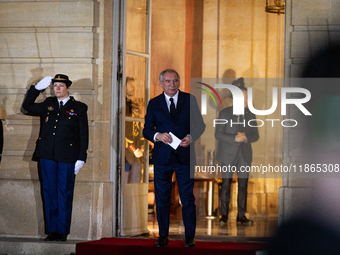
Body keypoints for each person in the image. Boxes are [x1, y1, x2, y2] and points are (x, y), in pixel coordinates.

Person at [22, 74, 89, 241]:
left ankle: (62, 231)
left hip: (67, 157)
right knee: (49, 192)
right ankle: (51, 230)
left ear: (67, 88)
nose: (57, 88)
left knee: (64, 193)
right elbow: (27, 106)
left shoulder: (79, 108)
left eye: (61, 86)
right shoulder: (48, 104)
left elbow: (83, 134)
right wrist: (37, 89)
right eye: (55, 86)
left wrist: (81, 157)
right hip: (47, 155)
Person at [143, 69, 205, 248]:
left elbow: (200, 124)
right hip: (163, 157)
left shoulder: (189, 99)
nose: (172, 84)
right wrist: (157, 135)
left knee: (187, 198)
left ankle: (190, 237)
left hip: (184, 157)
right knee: (162, 199)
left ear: (179, 82)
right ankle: (163, 236)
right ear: (161, 83)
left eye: (175, 81)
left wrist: (191, 137)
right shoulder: (154, 103)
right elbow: (146, 129)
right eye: (168, 81)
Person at [215, 84, 259, 226]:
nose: (247, 99)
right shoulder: (224, 113)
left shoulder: (251, 114)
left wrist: (246, 137)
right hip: (228, 154)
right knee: (226, 185)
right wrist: (234, 138)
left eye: (247, 97)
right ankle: (224, 216)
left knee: (243, 186)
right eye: (244, 96)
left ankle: (241, 216)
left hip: (245, 155)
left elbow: (256, 135)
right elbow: (218, 134)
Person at [125, 77, 143, 183]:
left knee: (135, 182)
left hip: (136, 152)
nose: (133, 89)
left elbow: (138, 129)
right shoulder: (123, 106)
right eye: (131, 86)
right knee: (125, 180)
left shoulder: (134, 105)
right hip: (126, 152)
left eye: (134, 87)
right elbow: (124, 133)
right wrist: (134, 150)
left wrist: (141, 146)